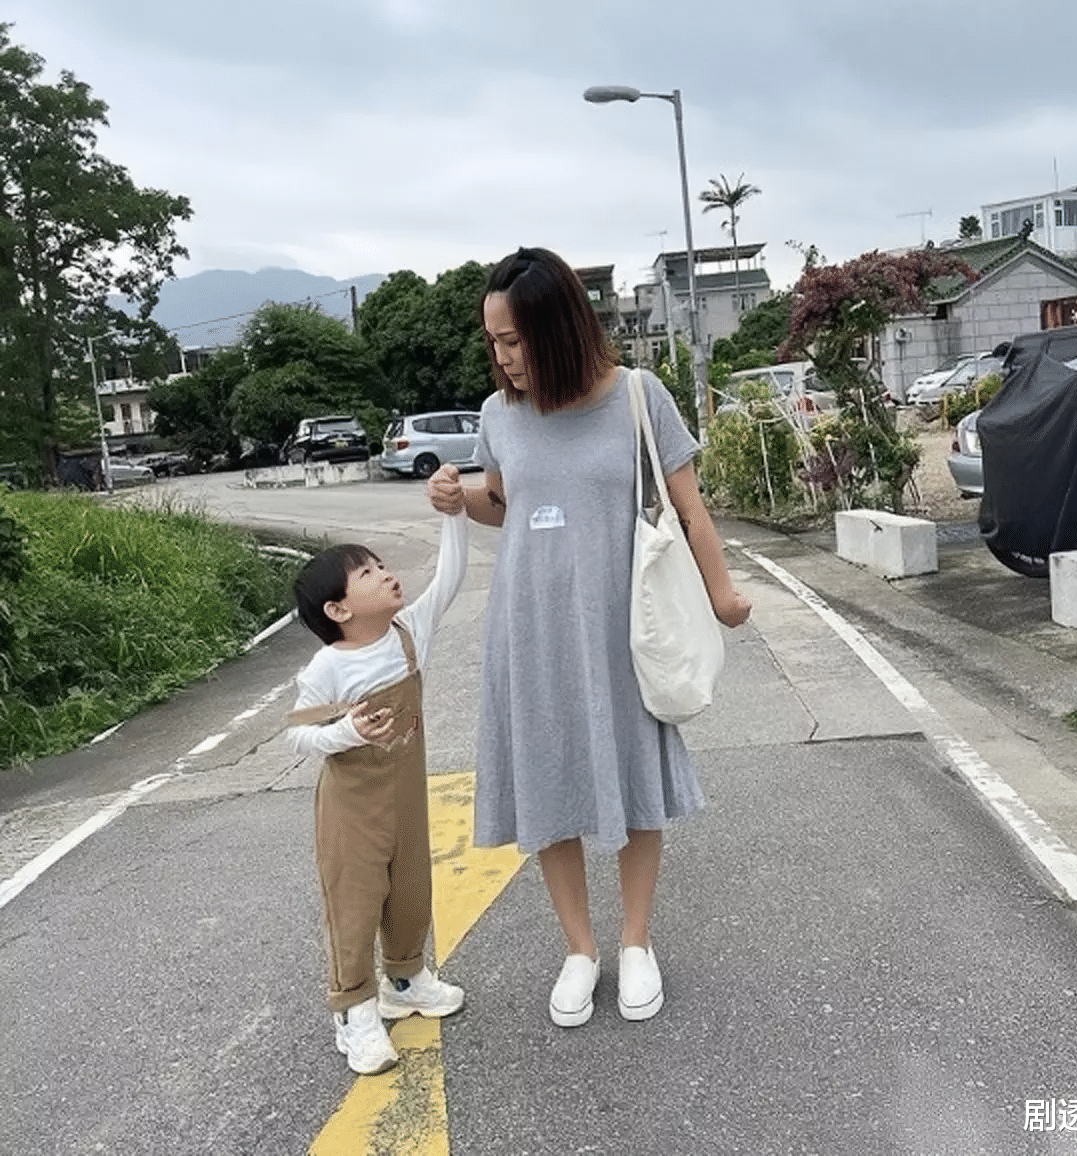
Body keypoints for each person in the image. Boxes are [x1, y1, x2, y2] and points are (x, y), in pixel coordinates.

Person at [427, 246, 750, 1028]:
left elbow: (690, 507)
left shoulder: (637, 396)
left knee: (634, 775)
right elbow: (504, 503)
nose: (502, 358)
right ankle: (581, 950)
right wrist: (455, 495)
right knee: (549, 780)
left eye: (514, 341)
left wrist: (723, 594)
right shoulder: (499, 415)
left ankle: (636, 943)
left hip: (620, 624)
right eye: (493, 343)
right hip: (530, 629)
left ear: (559, 327)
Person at [285, 515, 468, 1074]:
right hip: (352, 808)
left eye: (382, 566)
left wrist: (454, 512)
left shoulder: (408, 632)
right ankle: (355, 1014)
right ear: (338, 611)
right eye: (368, 572)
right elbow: (298, 734)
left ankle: (408, 980)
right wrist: (348, 732)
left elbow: (452, 576)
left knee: (412, 889)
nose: (386, 575)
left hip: (407, 794)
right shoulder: (327, 668)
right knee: (355, 905)